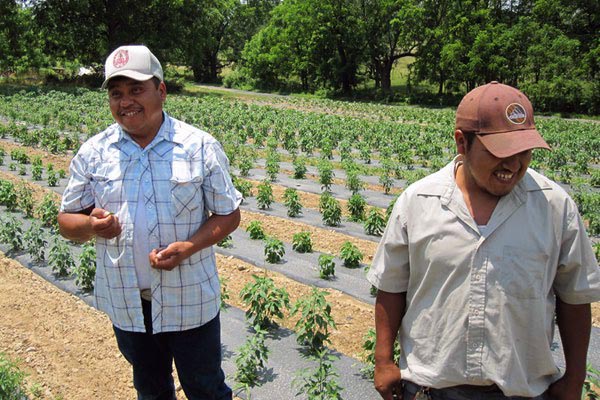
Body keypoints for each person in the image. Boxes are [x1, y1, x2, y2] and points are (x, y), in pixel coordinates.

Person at [367, 81, 600, 400]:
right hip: (431, 388)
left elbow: (574, 297)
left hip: (522, 390)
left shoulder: (554, 206)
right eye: (500, 152)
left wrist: (575, 378)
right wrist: (383, 361)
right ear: (462, 143)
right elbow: (392, 285)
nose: (514, 165)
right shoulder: (418, 201)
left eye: (524, 151)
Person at [58, 45, 242, 400]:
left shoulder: (199, 146)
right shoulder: (94, 152)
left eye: (136, 90)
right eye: (117, 93)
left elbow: (229, 213)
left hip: (189, 298)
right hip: (127, 302)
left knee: (205, 388)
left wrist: (189, 247)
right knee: (151, 389)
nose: (126, 101)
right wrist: (91, 227)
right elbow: (67, 220)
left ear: (161, 91)